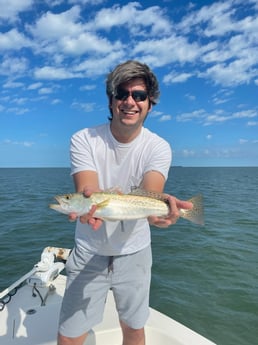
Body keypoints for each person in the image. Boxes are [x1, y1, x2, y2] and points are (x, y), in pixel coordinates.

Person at [57, 60, 192, 345]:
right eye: (122, 93)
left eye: (139, 95)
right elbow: (87, 188)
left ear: (149, 104)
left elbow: (151, 193)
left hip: (135, 253)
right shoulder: (84, 139)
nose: (130, 101)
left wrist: (160, 214)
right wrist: (85, 205)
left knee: (133, 328)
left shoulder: (158, 147)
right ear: (111, 101)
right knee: (69, 336)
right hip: (88, 251)